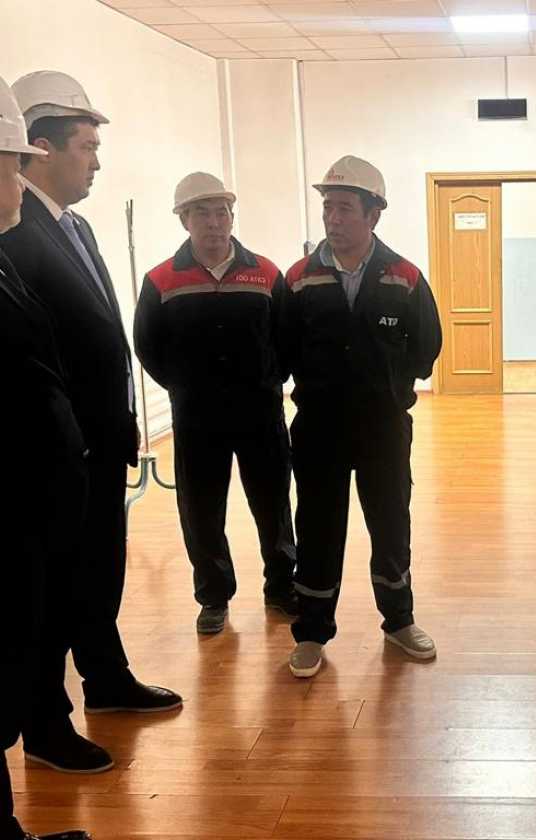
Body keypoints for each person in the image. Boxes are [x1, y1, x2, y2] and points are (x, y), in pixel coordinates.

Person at [0, 71, 181, 775]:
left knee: (97, 571)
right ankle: (47, 724)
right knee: (51, 591)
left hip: (98, 443)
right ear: (39, 148)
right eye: (87, 146)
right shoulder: (16, 233)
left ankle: (106, 678)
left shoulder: (74, 225)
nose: (98, 162)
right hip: (56, 455)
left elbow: (98, 333)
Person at [282, 155, 442, 677]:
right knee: (317, 528)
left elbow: (426, 347)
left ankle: (399, 621)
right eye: (328, 207)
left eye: (345, 208)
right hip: (318, 430)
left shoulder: (405, 277)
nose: (333, 219)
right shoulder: (299, 278)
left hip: (383, 428)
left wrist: (390, 390)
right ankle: (311, 632)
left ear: (373, 214)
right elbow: (280, 347)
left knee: (391, 524)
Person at [134, 173, 297, 635]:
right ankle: (213, 595)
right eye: (202, 213)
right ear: (184, 220)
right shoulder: (161, 279)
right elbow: (147, 345)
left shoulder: (265, 273)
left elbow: (287, 336)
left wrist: (271, 379)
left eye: (221, 212)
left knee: (272, 503)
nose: (214, 222)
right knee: (201, 509)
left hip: (260, 412)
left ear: (231, 217)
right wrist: (183, 386)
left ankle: (281, 586)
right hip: (197, 418)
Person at [0, 73, 93, 840]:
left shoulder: (13, 252)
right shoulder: (19, 244)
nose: (18, 183)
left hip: (45, 485)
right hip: (16, 501)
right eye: (12, 166)